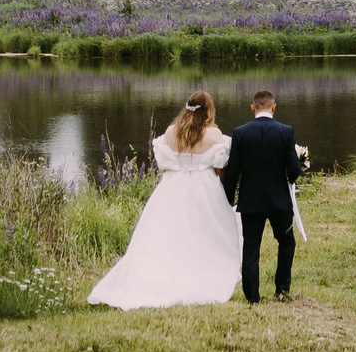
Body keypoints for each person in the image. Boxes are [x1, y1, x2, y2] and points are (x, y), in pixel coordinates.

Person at [86, 89, 242, 309]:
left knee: (170, 233)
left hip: (174, 188)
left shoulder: (171, 132)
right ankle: (200, 271)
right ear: (208, 111)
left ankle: (167, 272)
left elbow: (164, 165)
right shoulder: (213, 135)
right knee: (205, 232)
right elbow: (219, 167)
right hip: (204, 189)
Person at [222, 88, 306, 303]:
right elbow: (294, 169)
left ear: (253, 108)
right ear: (274, 108)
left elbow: (232, 171)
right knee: (286, 242)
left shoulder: (240, 133)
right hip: (279, 201)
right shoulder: (286, 131)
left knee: (251, 246)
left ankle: (252, 297)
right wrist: (294, 172)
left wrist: (229, 197)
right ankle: (282, 290)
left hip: (250, 201)